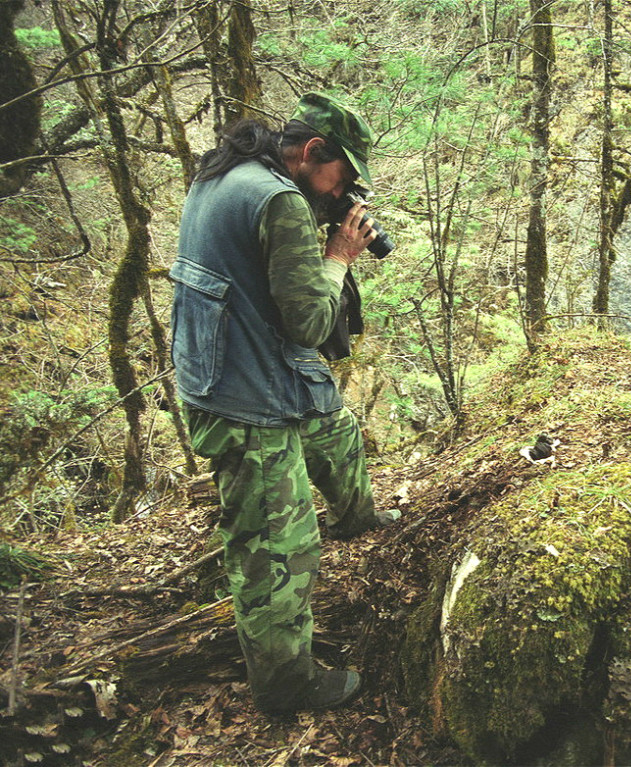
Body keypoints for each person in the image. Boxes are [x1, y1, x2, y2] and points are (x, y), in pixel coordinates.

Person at [169, 92, 394, 715]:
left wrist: (323, 229)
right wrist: (339, 258)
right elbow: (311, 324)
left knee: (337, 432)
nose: (341, 193)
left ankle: (358, 518)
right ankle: (285, 683)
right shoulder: (279, 199)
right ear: (314, 152)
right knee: (277, 548)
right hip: (247, 398)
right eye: (341, 178)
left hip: (238, 370)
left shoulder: (225, 174)